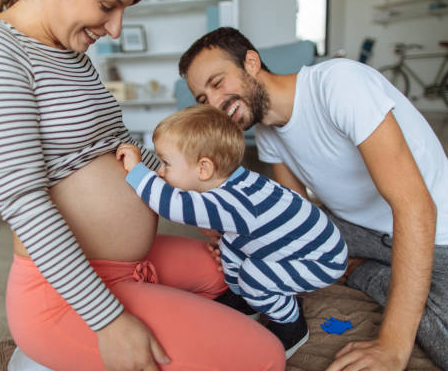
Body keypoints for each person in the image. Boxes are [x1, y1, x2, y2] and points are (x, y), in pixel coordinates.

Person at [0, 0, 286, 370]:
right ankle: (51, 347)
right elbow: (23, 203)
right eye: (107, 5)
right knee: (263, 357)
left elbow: (125, 149)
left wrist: (203, 205)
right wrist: (108, 321)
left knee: (230, 273)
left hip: (130, 264)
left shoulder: (71, 56)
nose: (115, 29)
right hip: (61, 291)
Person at [177, 27, 448, 371]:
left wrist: (393, 344)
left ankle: (365, 273)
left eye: (217, 83)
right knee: (247, 232)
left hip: (438, 235)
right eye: (202, 99)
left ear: (251, 62)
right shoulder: (267, 131)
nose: (214, 104)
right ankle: (367, 269)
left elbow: (415, 206)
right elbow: (290, 216)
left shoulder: (339, 83)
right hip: (351, 231)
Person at [116, 105, 348, 359]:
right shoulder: (231, 180)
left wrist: (138, 171)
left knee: (254, 276)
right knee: (230, 245)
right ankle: (245, 298)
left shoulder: (232, 201)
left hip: (321, 259)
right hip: (296, 244)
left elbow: (173, 205)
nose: (160, 171)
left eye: (166, 164)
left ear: (204, 169)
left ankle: (291, 323)